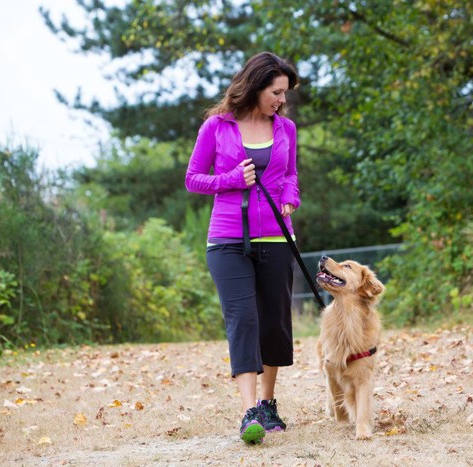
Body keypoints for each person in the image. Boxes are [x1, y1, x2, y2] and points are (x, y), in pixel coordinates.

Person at [184, 52, 300, 445]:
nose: (281, 100)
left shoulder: (286, 128)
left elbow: (290, 175)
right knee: (243, 320)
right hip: (227, 239)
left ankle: (268, 403)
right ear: (256, 86)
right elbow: (193, 179)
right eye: (276, 91)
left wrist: (291, 196)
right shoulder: (216, 127)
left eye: (284, 93)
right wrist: (231, 179)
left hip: (276, 237)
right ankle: (248, 411)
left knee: (273, 322)